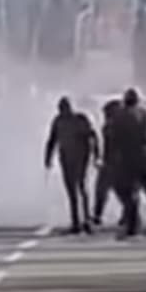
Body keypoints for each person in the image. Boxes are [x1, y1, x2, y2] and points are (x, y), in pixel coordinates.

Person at [109, 88, 146, 240]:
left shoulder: (119, 116)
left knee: (130, 195)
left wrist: (112, 159)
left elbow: (113, 139)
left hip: (127, 159)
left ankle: (133, 227)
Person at [44, 96, 98, 234]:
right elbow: (52, 140)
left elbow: (93, 136)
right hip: (66, 159)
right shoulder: (58, 121)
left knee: (80, 187)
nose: (63, 111)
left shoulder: (80, 119)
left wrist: (96, 155)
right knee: (72, 191)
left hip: (81, 158)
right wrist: (48, 159)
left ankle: (86, 219)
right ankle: (76, 221)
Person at [91, 99, 123, 227]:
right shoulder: (108, 126)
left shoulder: (118, 126)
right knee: (101, 191)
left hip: (117, 163)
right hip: (109, 162)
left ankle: (128, 215)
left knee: (120, 191)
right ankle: (97, 215)